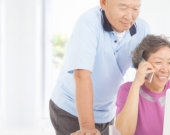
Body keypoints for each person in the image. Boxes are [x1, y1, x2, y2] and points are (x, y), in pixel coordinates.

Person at [49, 0, 150, 134]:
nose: (129, 16)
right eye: (123, 7)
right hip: (71, 110)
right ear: (103, 3)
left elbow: (146, 71)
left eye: (136, 9)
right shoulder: (88, 23)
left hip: (107, 112)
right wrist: (87, 127)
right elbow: (81, 76)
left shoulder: (142, 28)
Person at [114, 35, 170, 135]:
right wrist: (136, 84)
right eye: (158, 62)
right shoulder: (127, 90)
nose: (165, 69)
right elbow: (123, 132)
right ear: (142, 64)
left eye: (169, 63)